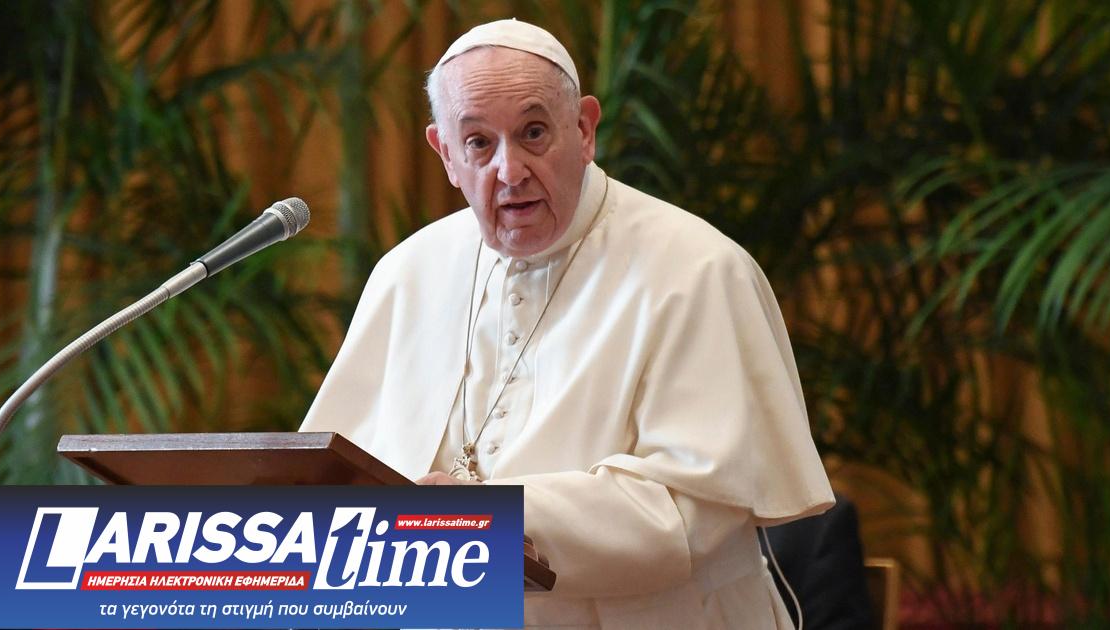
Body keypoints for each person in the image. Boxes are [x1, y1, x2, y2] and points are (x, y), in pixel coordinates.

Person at [300, 18, 834, 629]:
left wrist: (492, 517)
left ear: (583, 129)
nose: (509, 170)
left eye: (533, 133)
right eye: (478, 143)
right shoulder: (408, 272)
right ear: (445, 153)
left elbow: (693, 509)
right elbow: (338, 483)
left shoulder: (699, 269)